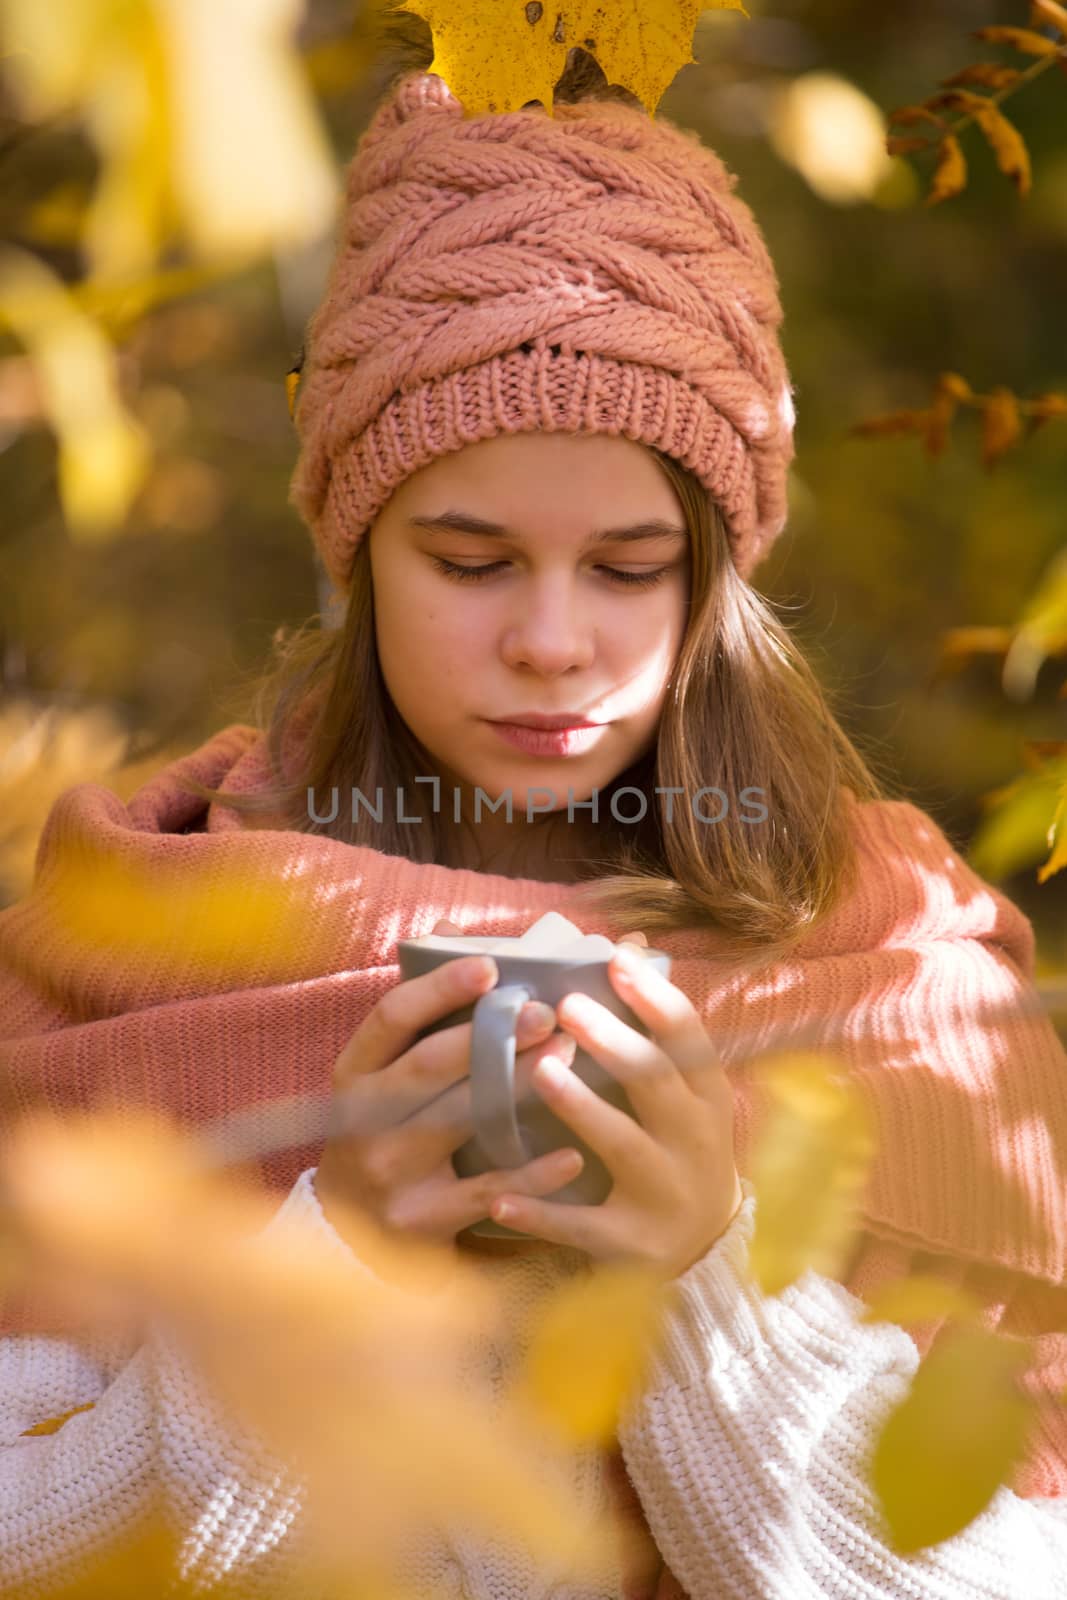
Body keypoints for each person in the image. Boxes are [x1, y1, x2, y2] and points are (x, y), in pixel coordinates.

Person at [2, 41, 1067, 1600]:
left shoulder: (910, 983)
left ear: (720, 581)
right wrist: (333, 1262)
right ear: (358, 551)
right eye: (473, 559)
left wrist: (711, 1283)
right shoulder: (129, 939)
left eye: (631, 568)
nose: (554, 642)